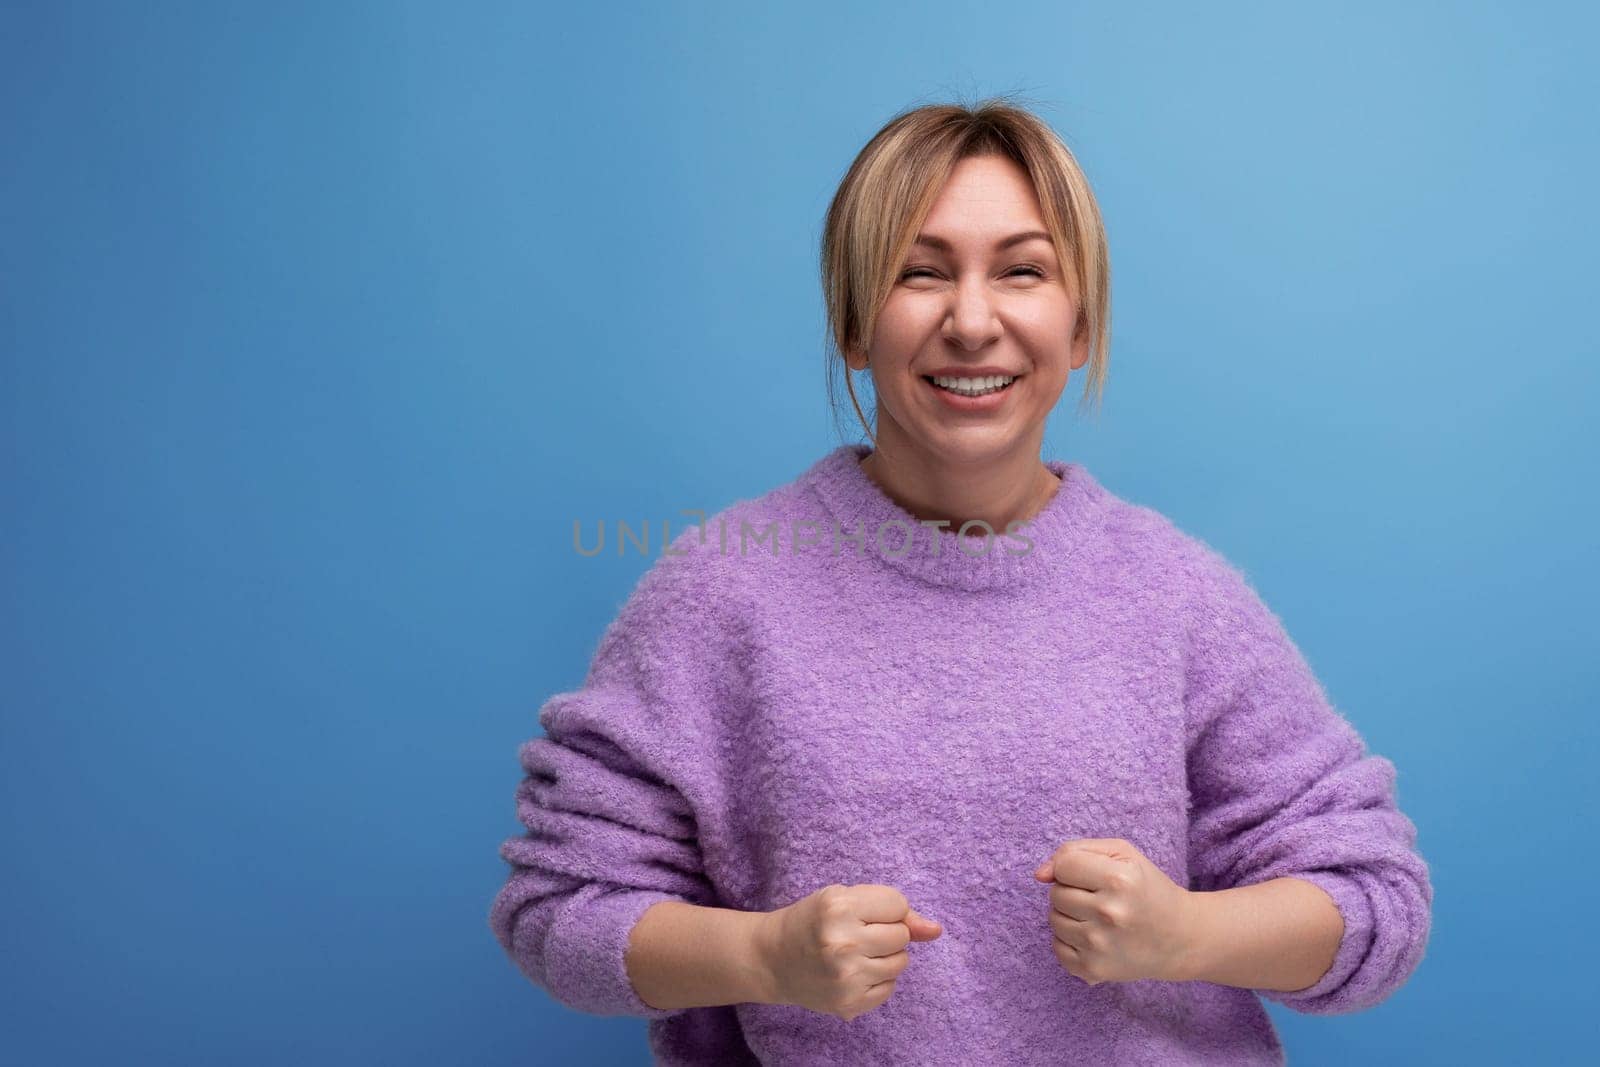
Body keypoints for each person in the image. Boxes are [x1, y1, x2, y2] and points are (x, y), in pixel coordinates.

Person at [489, 97, 1433, 1065]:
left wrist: (1183, 932)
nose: (971, 321)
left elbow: (1376, 900)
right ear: (855, 325)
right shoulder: (720, 592)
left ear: (1078, 327)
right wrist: (762, 953)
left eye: (1021, 271)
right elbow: (558, 909)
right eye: (919, 272)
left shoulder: (1177, 596)